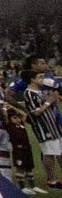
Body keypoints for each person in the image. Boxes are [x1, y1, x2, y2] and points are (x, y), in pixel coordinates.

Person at [16, 57, 61, 189]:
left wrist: (53, 101)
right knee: (49, 153)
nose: (42, 80)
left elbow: (47, 106)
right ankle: (51, 179)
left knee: (59, 151)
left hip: (53, 125)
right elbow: (35, 112)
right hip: (44, 127)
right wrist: (48, 102)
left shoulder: (39, 92)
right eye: (39, 78)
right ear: (32, 80)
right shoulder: (29, 93)